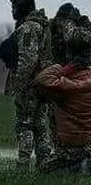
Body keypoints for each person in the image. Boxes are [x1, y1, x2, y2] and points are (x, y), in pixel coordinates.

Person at [7, 0, 54, 171]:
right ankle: (44, 166)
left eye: (13, 7)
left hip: (31, 85)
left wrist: (18, 85)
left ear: (21, 7)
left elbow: (27, 59)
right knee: (42, 126)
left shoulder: (28, 28)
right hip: (44, 83)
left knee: (25, 124)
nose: (12, 11)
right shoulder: (43, 25)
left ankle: (23, 165)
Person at [35, 35, 91, 174]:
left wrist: (65, 68)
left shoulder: (64, 85)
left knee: (44, 169)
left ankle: (79, 166)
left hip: (71, 146)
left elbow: (41, 79)